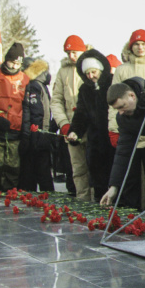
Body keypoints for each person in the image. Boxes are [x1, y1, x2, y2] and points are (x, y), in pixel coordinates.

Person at [109, 29, 145, 209]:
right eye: (136, 44)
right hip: (137, 132)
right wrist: (113, 187)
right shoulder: (123, 115)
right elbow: (123, 153)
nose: (140, 47)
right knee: (131, 179)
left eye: (143, 44)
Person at [100, 77, 145, 210]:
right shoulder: (124, 118)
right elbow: (123, 153)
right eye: (117, 109)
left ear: (132, 96)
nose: (121, 112)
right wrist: (114, 187)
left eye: (122, 106)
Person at [67, 50, 115, 202]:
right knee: (97, 177)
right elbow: (81, 113)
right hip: (95, 141)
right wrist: (75, 131)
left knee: (114, 175)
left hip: (112, 137)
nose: (91, 76)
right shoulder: (84, 89)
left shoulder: (112, 82)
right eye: (87, 74)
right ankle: (100, 205)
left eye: (93, 72)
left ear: (100, 69)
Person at [51, 35, 89, 200]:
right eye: (69, 52)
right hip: (71, 128)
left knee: (95, 166)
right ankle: (82, 200)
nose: (72, 56)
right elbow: (56, 100)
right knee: (77, 168)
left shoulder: (91, 65)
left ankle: (98, 201)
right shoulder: (63, 71)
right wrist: (64, 123)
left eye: (75, 52)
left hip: (90, 126)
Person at [0, 43, 28, 192]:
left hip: (15, 132)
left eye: (18, 63)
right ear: (6, 59)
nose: (15, 66)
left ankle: (10, 194)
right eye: (12, 62)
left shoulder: (25, 79)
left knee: (13, 166)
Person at [18, 57, 54, 192]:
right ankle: (50, 198)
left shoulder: (33, 85)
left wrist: (32, 135)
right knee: (44, 171)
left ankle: (36, 198)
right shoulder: (42, 84)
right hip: (43, 132)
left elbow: (36, 112)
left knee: (33, 170)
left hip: (37, 133)